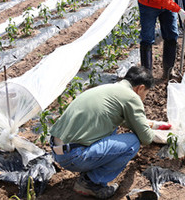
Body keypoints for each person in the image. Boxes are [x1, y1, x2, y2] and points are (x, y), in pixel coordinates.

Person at [49, 66, 158, 199]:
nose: (144, 98)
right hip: (74, 156)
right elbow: (146, 138)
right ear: (140, 88)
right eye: (146, 94)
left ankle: (89, 171)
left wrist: (143, 124)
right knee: (133, 142)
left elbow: (119, 120)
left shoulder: (108, 89)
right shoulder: (131, 97)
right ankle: (91, 183)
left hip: (59, 151)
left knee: (113, 126)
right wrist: (162, 135)